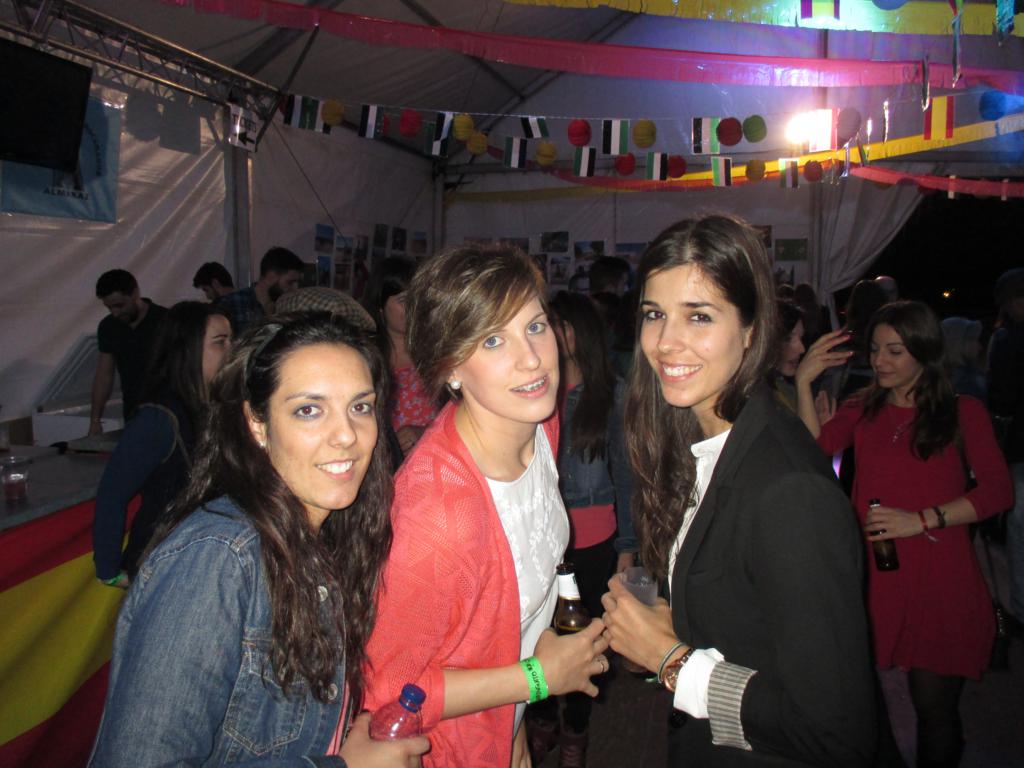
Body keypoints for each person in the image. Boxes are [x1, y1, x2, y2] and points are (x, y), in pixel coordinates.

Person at [89, 312, 429, 767]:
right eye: (309, 410)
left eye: (360, 407)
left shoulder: (325, 540)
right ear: (257, 423)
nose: (347, 435)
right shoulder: (217, 559)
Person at [600, 215, 878, 767]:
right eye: (654, 314)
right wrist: (656, 628)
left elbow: (837, 731)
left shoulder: (789, 493)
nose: (665, 342)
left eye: (699, 316)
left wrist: (672, 661)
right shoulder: (697, 443)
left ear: (751, 331)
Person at [365, 245, 609, 768]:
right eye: (494, 340)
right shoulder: (438, 514)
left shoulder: (539, 422)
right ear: (450, 366)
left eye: (535, 326)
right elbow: (389, 688)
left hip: (504, 731)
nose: (532, 358)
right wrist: (538, 679)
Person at [796, 301, 1013, 768]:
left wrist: (922, 519)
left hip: (941, 575)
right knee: (861, 699)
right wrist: (803, 384)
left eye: (895, 351)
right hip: (878, 573)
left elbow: (997, 492)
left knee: (933, 706)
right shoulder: (863, 407)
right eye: (875, 350)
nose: (880, 361)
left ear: (924, 351)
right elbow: (813, 457)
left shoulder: (962, 411)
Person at [526, 291, 636, 768]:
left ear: (580, 332)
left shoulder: (609, 394)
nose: (549, 333)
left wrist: (628, 547)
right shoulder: (536, 390)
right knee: (538, 638)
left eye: (557, 324)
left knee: (587, 642)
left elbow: (627, 476)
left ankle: (576, 731)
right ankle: (541, 722)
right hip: (542, 542)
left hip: (594, 541)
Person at [92, 302, 231, 587]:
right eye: (220, 342)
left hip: (205, 558)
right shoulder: (159, 418)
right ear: (188, 348)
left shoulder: (218, 406)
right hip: (165, 564)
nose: (232, 349)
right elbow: (111, 494)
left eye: (231, 340)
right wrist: (108, 570)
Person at [361, 256, 437, 458]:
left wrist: (424, 432)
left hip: (431, 459)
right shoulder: (365, 358)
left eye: (418, 300)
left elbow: (460, 414)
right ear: (380, 305)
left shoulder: (435, 354)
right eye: (404, 301)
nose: (414, 308)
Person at [89, 269, 168, 434]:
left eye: (119, 305)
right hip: (134, 414)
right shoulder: (108, 327)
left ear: (135, 294)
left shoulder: (166, 321)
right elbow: (104, 376)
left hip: (169, 414)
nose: (115, 313)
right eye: (109, 307)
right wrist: (95, 420)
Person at [988, 268, 1024, 627]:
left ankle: (1020, 608)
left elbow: (1001, 398)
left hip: (1017, 445)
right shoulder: (1007, 338)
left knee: (1020, 527)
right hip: (1018, 446)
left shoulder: (1008, 339)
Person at [219, 246, 304, 336]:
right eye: (290, 282)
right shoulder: (233, 302)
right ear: (272, 276)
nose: (295, 288)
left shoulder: (292, 305)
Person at [771, 298, 805, 412]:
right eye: (789, 339)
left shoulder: (784, 388)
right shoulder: (756, 396)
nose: (802, 349)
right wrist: (803, 383)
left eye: (801, 338)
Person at [940, 316, 986, 399]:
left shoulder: (939, 379)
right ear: (959, 344)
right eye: (974, 339)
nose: (980, 347)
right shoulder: (966, 382)